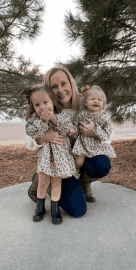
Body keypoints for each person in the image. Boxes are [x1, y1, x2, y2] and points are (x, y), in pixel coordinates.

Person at [26, 65, 114, 218]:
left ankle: (83, 183)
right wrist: (45, 136)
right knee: (78, 210)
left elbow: (108, 132)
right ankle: (42, 180)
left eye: (63, 84)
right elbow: (29, 142)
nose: (60, 90)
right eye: (54, 87)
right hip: (59, 162)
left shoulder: (86, 102)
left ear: (71, 83)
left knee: (102, 164)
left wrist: (94, 132)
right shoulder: (45, 106)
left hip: (79, 160)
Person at [19, 84, 78, 225]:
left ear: (53, 101)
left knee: (57, 182)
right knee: (43, 182)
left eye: (46, 102)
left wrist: (52, 119)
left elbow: (69, 129)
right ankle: (40, 207)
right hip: (45, 158)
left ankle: (55, 208)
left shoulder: (61, 116)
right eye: (37, 105)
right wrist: (44, 121)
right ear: (32, 107)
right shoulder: (34, 120)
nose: (42, 107)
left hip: (61, 158)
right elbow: (34, 133)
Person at [72, 84, 117, 170]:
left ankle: (90, 176)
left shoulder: (104, 118)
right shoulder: (82, 115)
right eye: (92, 99)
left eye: (99, 100)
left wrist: (95, 132)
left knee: (108, 159)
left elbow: (107, 134)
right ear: (85, 103)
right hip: (83, 143)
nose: (96, 102)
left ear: (103, 104)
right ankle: (74, 173)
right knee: (78, 162)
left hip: (97, 144)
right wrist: (73, 131)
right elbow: (76, 125)